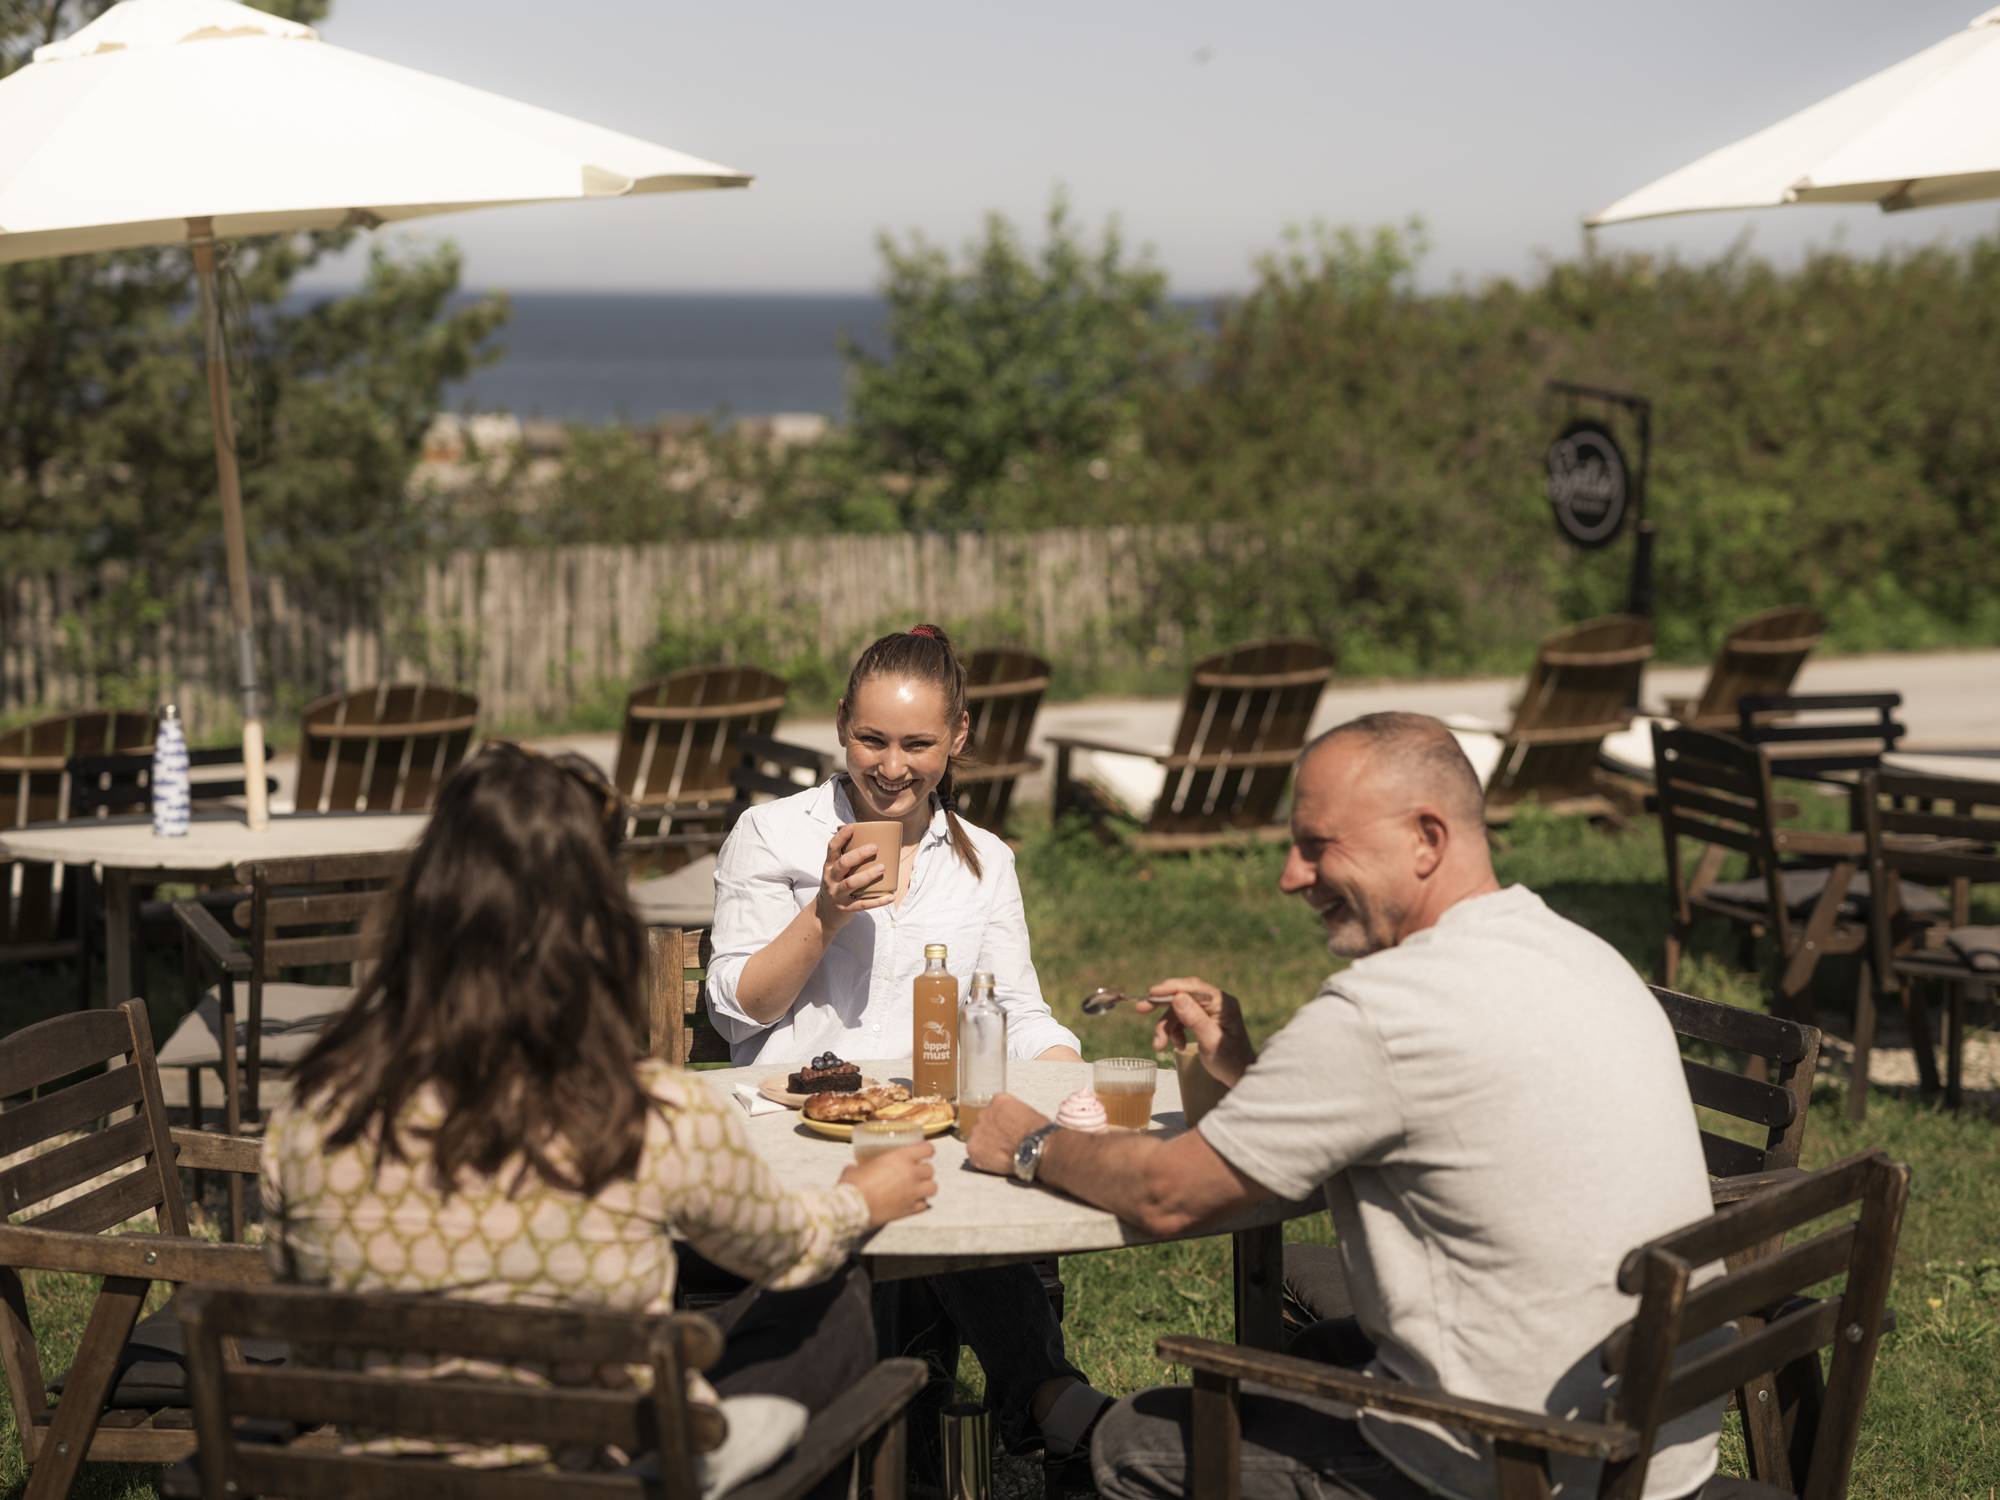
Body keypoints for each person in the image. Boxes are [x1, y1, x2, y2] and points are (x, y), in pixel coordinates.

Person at [966, 712, 1723, 1500]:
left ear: (1427, 839)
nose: (1291, 877)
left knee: (1131, 1439)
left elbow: (1167, 1195)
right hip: (1652, 1431)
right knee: (1315, 1354)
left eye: (1318, 845)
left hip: (1527, 1463)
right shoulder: (1580, 951)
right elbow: (1413, 1117)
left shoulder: (1385, 1012)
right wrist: (1245, 1067)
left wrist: (1033, 1142)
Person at [263, 742, 937, 1480]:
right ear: (595, 924)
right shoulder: (651, 1115)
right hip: (596, 1476)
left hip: (389, 1482)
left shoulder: (314, 1111)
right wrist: (857, 1199)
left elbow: (310, 1331)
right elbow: (785, 1248)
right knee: (832, 1304)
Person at [706, 625, 1110, 1479]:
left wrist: (1065, 1073)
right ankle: (1042, 1402)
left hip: (927, 1121)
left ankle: (937, 1438)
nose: (891, 768)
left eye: (917, 745)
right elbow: (738, 1009)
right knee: (927, 1193)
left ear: (957, 737)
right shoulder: (773, 834)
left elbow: (1019, 1010)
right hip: (799, 1129)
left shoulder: (984, 860)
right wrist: (826, 912)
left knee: (948, 1168)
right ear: (841, 726)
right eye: (872, 741)